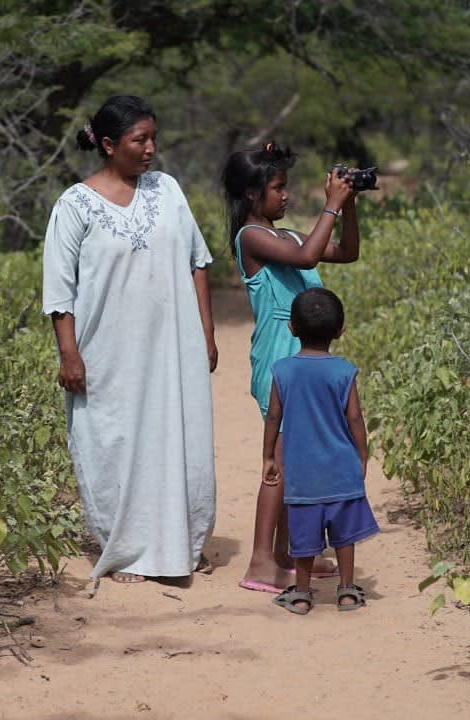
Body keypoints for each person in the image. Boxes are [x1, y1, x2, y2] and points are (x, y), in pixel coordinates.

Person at [42, 95, 218, 586]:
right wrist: (69, 353)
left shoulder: (167, 190)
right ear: (107, 144)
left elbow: (196, 261)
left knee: (179, 437)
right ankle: (125, 549)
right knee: (115, 442)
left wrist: (205, 332)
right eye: (140, 140)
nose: (150, 149)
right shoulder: (75, 205)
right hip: (109, 350)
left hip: (173, 344)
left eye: (153, 138)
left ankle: (182, 543)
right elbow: (60, 290)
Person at [221, 143, 362, 593]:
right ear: (250, 194)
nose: (286, 196)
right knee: (279, 463)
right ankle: (262, 561)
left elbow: (346, 252)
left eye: (286, 186)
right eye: (277, 188)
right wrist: (331, 207)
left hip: (303, 364)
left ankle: (286, 555)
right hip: (279, 362)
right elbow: (307, 259)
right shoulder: (250, 237)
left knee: (294, 459)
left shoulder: (295, 236)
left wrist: (349, 207)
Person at [263, 287, 379, 614]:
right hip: (341, 468)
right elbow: (354, 417)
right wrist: (362, 454)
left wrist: (269, 457)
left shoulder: (283, 370)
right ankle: (346, 591)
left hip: (302, 472)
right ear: (340, 330)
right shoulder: (344, 370)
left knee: (303, 535)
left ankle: (301, 593)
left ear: (291, 328)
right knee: (344, 536)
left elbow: (274, 416)